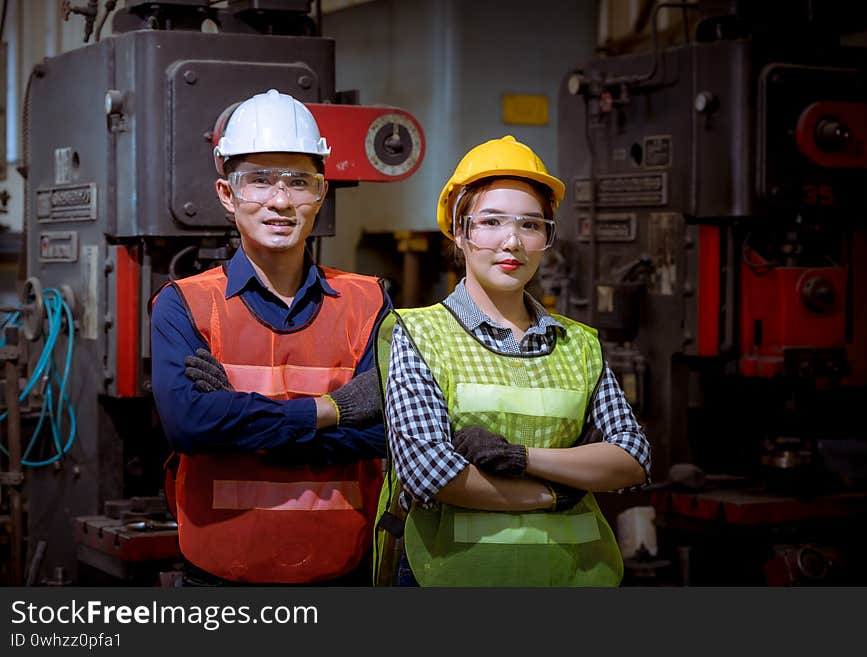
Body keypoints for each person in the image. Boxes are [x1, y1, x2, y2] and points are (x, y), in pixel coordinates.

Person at [374, 135, 651, 587]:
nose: (512, 241)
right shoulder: (419, 333)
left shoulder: (578, 344)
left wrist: (520, 458)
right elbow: (429, 471)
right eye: (491, 222)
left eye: (530, 224)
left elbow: (632, 458)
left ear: (547, 237)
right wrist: (554, 493)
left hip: (577, 580)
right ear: (460, 233)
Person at [150, 89, 389, 586]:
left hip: (342, 573)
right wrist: (331, 411)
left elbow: (384, 431)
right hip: (220, 580)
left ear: (320, 193)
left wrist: (240, 421)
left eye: (298, 182)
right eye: (258, 180)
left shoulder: (368, 302)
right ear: (226, 194)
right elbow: (190, 425)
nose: (280, 201)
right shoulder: (186, 304)